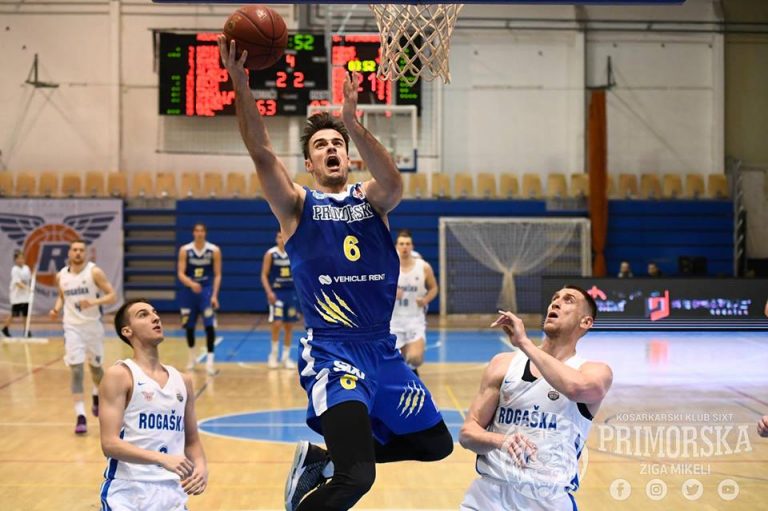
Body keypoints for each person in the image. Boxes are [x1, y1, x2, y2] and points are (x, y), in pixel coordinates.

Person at [218, 37, 453, 511]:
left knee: (436, 445)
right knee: (357, 477)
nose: (331, 149)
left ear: (349, 157)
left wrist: (352, 122)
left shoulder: (372, 200)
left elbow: (394, 181)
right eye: (321, 145)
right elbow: (261, 152)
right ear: (309, 163)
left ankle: (322, 460)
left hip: (382, 350)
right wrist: (241, 84)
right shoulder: (297, 205)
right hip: (334, 352)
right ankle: (337, 466)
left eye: (337, 144)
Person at [459, 285, 613, 511]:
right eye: (554, 298)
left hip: (547, 499)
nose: (556, 303)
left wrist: (525, 343)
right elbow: (467, 434)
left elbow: (575, 388)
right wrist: (501, 441)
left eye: (568, 300)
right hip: (488, 496)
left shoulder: (594, 371)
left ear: (586, 322)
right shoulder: (503, 364)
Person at [100, 298, 208, 510]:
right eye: (143, 315)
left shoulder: (183, 381)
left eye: (155, 312)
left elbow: (192, 441)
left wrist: (202, 468)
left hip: (173, 492)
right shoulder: (120, 375)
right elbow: (109, 444)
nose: (155, 318)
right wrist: (161, 458)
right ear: (127, 331)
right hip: (128, 492)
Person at [49, 239, 117, 434]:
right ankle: (80, 416)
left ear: (85, 253)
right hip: (72, 328)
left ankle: (96, 395)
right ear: (69, 253)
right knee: (77, 370)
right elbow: (62, 296)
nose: (78, 253)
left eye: (81, 250)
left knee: (96, 370)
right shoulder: (61, 275)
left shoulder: (94, 272)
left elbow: (112, 295)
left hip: (93, 327)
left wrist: (94, 302)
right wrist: (56, 309)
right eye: (75, 250)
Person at [177, 222, 222, 376]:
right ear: (193, 233)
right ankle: (192, 358)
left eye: (202, 230)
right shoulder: (185, 250)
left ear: (205, 233)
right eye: (197, 230)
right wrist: (191, 283)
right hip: (188, 293)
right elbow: (180, 273)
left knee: (209, 326)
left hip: (206, 292)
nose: (199, 233)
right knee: (189, 326)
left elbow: (218, 275)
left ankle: (210, 361)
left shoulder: (214, 250)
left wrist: (214, 295)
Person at [391, 229, 438, 374]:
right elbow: (376, 289)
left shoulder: (423, 266)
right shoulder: (388, 265)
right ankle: (408, 375)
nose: (404, 247)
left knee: (415, 358)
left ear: (412, 246)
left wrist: (425, 300)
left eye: (407, 244)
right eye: (401, 244)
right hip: (393, 320)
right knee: (394, 360)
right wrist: (391, 293)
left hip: (415, 319)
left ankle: (412, 369)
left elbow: (434, 288)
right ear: (396, 246)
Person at [261, 231, 299, 369]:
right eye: (278, 237)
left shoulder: (293, 252)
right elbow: (264, 275)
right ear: (276, 239)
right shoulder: (271, 254)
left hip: (290, 293)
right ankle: (273, 355)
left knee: (289, 325)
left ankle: (286, 357)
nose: (281, 239)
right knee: (277, 323)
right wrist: (269, 292)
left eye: (283, 236)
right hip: (277, 293)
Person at [2, 250, 32, 337]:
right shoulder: (14, 270)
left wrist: (29, 287)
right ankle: (5, 328)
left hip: (25, 296)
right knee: (14, 314)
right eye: (19, 258)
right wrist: (27, 288)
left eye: (22, 258)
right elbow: (18, 283)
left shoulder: (26, 268)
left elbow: (29, 279)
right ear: (15, 260)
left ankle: (26, 331)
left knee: (25, 314)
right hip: (17, 297)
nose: (21, 260)